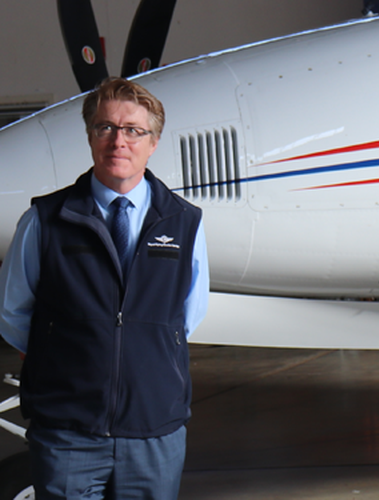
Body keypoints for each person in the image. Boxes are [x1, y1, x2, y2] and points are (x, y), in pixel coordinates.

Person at [0, 77, 209, 499]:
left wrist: (139, 348)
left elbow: (188, 314)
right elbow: (12, 312)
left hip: (153, 431)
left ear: (153, 142)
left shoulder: (184, 223)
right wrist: (63, 356)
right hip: (67, 432)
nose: (119, 141)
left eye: (133, 130)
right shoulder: (45, 220)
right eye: (106, 127)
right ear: (90, 136)